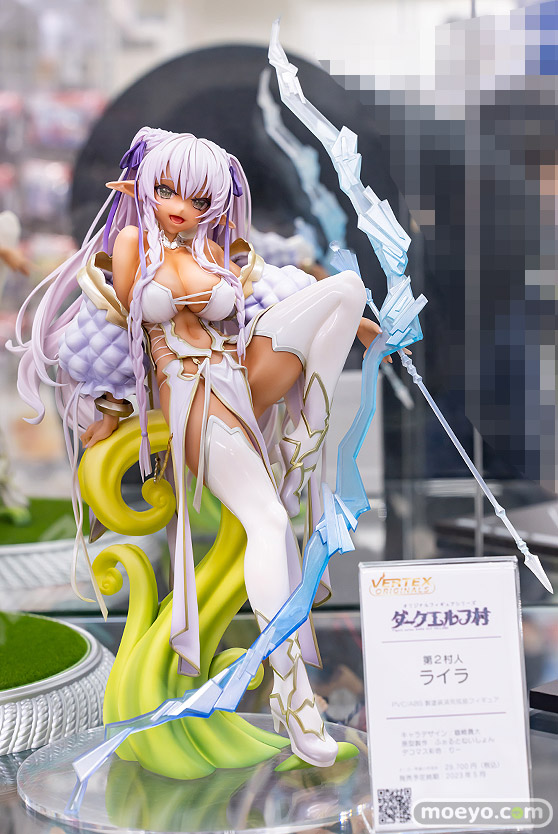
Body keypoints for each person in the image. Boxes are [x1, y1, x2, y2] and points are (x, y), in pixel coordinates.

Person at [10, 127, 380, 768]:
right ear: (143, 188)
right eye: (167, 191)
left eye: (199, 198)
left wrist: (351, 324)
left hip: (241, 375)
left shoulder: (213, 248)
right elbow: (128, 315)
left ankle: (305, 440)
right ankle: (294, 697)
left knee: (344, 290)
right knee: (268, 524)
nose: (181, 207)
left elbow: (259, 298)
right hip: (190, 394)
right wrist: (110, 409)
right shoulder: (134, 242)